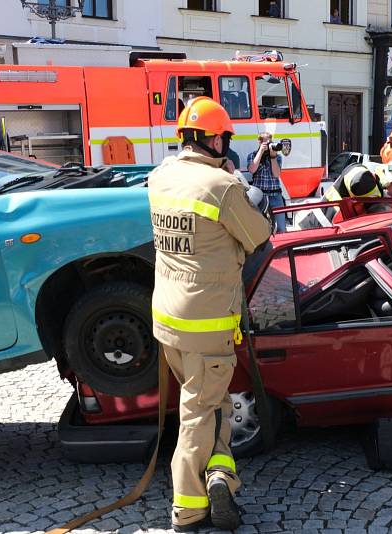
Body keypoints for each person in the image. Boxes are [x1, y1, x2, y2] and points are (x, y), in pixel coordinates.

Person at [148, 96, 272, 533]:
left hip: (168, 318)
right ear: (216, 139)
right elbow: (259, 236)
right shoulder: (222, 188)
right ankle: (189, 508)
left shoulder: (160, 176)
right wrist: (241, 188)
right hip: (207, 325)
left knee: (211, 404)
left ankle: (221, 476)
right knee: (200, 413)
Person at [247, 132, 285, 232]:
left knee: (281, 227)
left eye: (270, 142)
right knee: (259, 229)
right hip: (260, 197)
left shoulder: (277, 157)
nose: (269, 144)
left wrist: (273, 157)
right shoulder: (252, 155)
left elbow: (276, 174)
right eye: (266, 142)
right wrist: (260, 152)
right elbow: (252, 169)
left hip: (275, 196)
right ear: (260, 142)